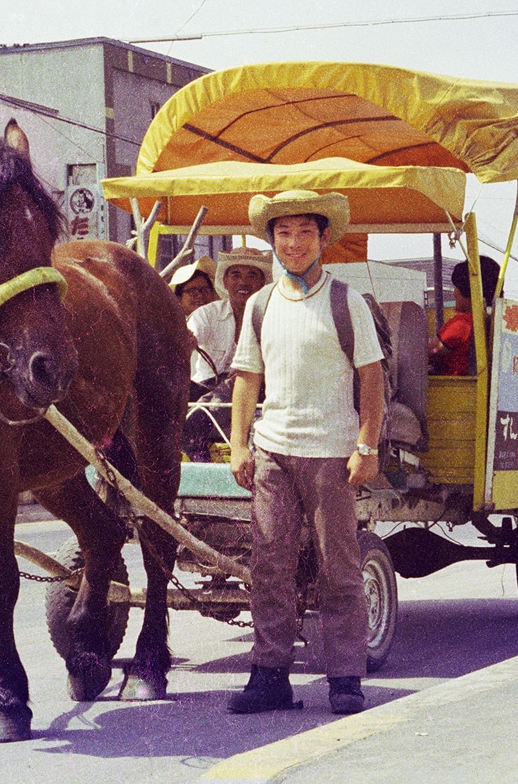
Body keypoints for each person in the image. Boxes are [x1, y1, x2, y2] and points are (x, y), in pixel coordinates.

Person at [227, 189, 385, 716]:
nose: (293, 243)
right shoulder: (260, 304)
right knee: (269, 566)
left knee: (337, 567)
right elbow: (247, 380)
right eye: (283, 233)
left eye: (304, 233)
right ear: (272, 241)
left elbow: (372, 381)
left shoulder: (347, 302)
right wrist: (238, 444)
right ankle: (270, 674)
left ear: (322, 240)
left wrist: (366, 445)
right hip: (273, 451)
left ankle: (345, 676)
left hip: (331, 455)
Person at [186, 246, 272, 392]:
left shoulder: (273, 316)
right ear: (225, 281)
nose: (243, 282)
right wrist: (186, 342)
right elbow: (192, 334)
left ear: (262, 282)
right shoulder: (207, 314)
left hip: (254, 388)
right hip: (206, 390)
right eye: (236, 275)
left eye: (251, 275)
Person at [428, 256, 500, 376]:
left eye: (457, 286)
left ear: (469, 291)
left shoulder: (462, 323)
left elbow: (432, 352)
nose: (454, 292)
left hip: (454, 390)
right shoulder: (494, 319)